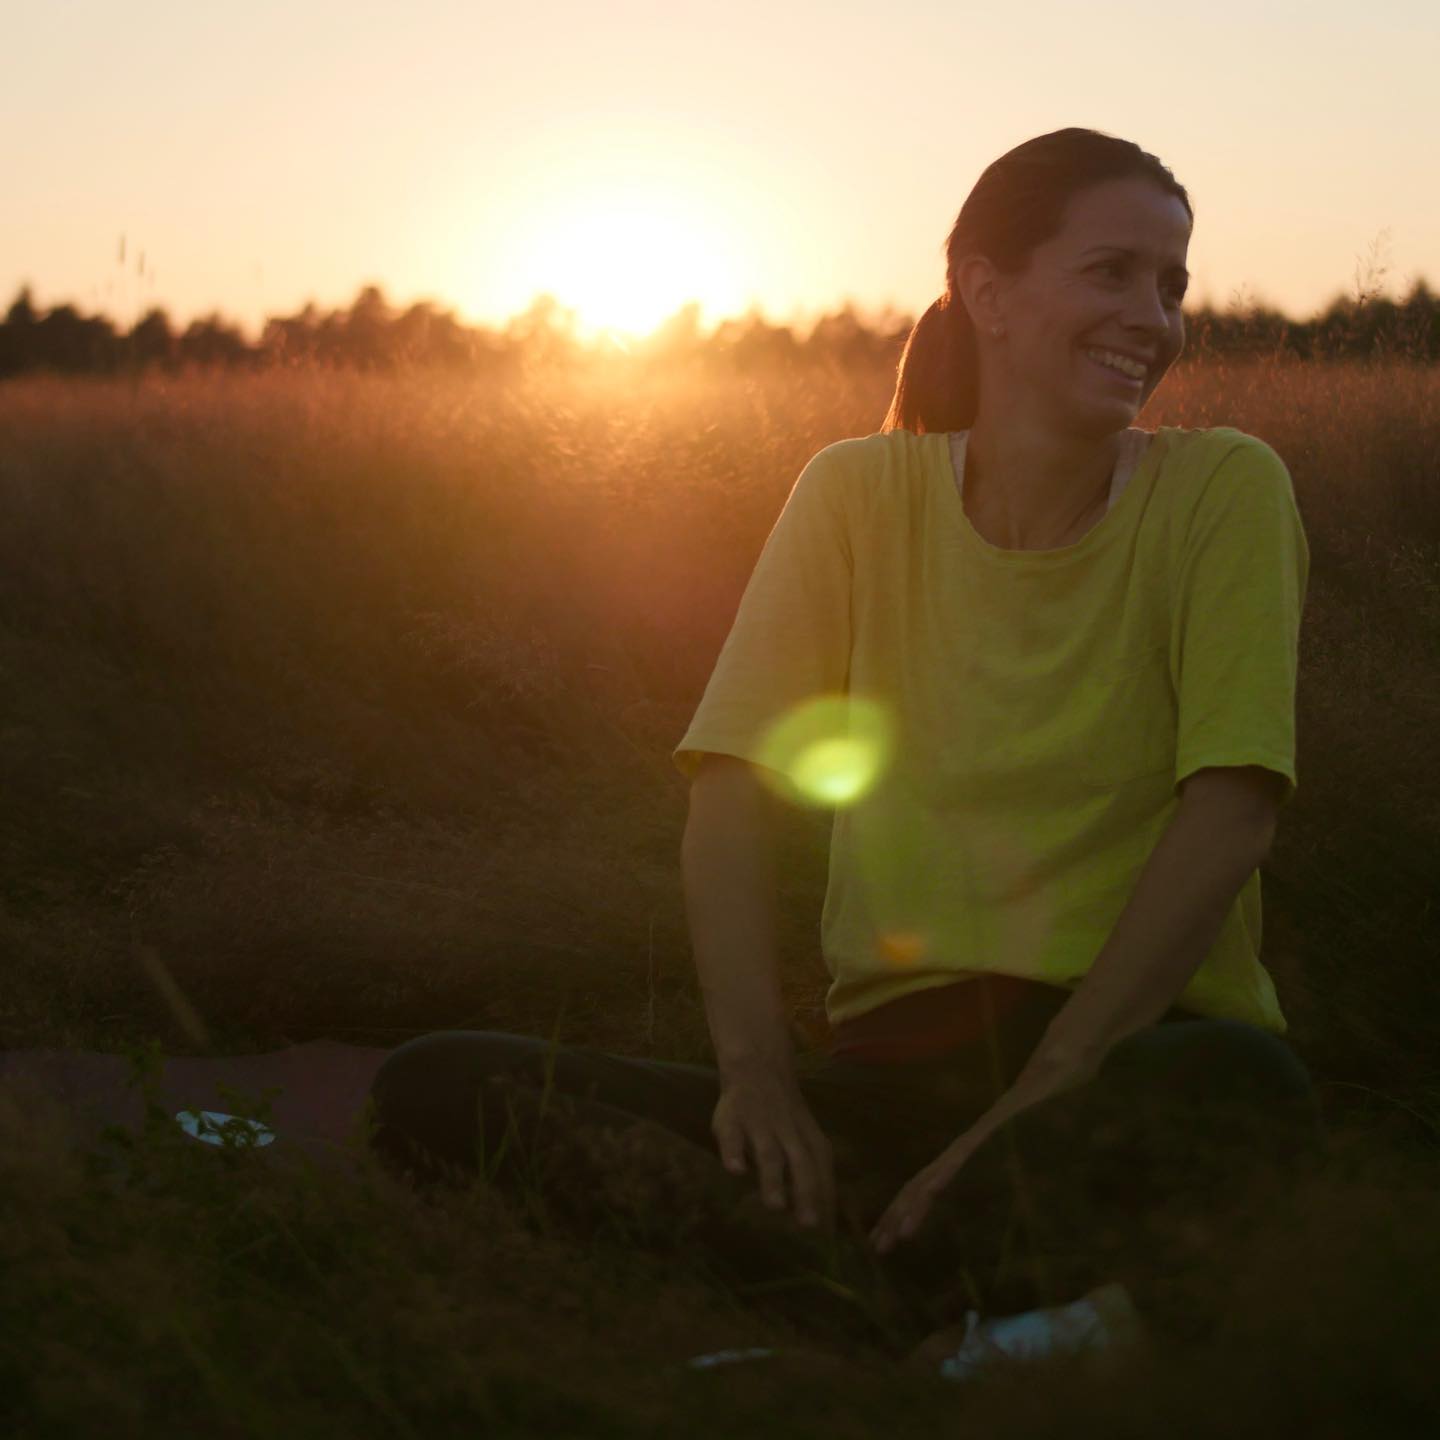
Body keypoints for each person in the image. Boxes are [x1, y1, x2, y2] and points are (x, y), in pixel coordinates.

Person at [367, 126, 1328, 1361]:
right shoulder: (857, 494)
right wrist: (757, 1080)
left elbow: (1235, 806)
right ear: (986, 288)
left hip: (1122, 1059)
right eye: (1112, 272)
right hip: (885, 1081)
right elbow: (730, 792)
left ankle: (838, 1310)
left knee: (1252, 1096)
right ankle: (963, 1319)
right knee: (436, 1088)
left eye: (1172, 284)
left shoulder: (1225, 490)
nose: (1154, 316)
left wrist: (1043, 1093)